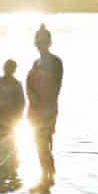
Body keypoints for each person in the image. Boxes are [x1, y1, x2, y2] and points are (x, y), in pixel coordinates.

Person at [26, 24, 64, 182]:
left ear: (49, 43)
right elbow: (29, 84)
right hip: (35, 109)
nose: (40, 45)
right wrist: (32, 96)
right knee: (40, 142)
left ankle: (49, 173)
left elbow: (55, 86)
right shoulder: (36, 63)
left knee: (44, 141)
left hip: (47, 109)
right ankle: (46, 177)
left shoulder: (55, 62)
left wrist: (44, 105)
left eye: (43, 42)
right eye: (38, 42)